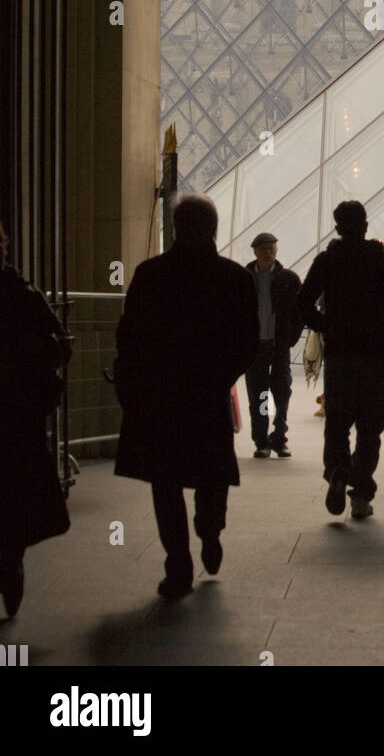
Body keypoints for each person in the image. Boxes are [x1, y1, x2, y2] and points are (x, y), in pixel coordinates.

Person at [114, 195, 258, 598]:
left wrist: (136, 384)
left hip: (162, 399)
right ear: (213, 229)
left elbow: (129, 337)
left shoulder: (150, 274)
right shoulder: (233, 278)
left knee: (166, 481)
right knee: (212, 473)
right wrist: (221, 375)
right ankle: (210, 530)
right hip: (207, 396)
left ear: (175, 228)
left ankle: (177, 563)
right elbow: (248, 342)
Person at [298, 201, 384, 519]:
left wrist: (325, 326)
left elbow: (303, 302)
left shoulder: (327, 260)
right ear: (365, 225)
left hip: (340, 355)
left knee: (336, 423)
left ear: (337, 228)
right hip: (373, 355)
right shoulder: (383, 260)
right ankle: (361, 493)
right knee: (369, 429)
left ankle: (337, 469)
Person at [0, 221, 71, 618]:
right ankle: (10, 560)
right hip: (16, 413)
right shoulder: (24, 294)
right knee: (13, 492)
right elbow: (58, 346)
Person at [245, 233, 302, 458]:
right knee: (259, 395)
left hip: (278, 345)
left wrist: (290, 338)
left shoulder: (288, 279)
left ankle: (279, 435)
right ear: (255, 252)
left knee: (281, 392)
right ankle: (262, 439)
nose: (268, 252)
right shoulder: (245, 278)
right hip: (255, 346)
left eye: (271, 248)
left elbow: (299, 312)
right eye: (264, 249)